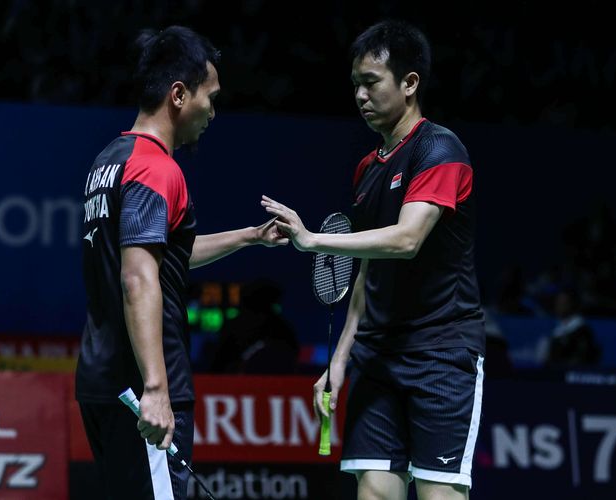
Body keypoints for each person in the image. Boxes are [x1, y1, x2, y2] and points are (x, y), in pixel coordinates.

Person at [262, 20, 485, 500]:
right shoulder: (368, 168)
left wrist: (313, 240)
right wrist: (339, 361)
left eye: (371, 83)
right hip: (377, 358)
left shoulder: (440, 150)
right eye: (355, 85)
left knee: (438, 495)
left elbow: (406, 240)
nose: (360, 96)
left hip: (441, 354)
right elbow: (368, 274)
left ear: (409, 84)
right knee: (376, 492)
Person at [75, 26, 287, 500]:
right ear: (178, 94)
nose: (213, 110)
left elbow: (165, 256)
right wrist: (155, 388)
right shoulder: (156, 168)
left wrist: (251, 237)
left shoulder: (110, 160)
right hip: (141, 386)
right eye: (209, 97)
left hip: (102, 380)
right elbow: (137, 277)